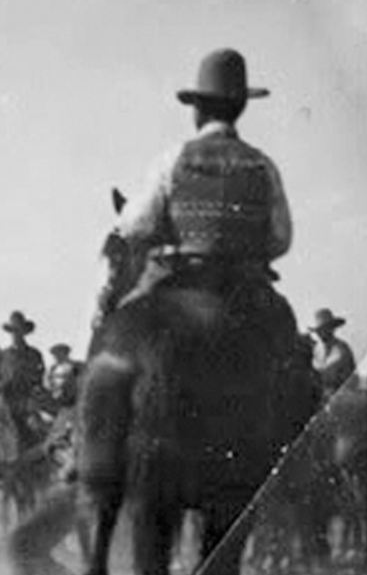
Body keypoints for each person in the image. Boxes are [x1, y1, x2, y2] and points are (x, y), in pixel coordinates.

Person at [101, 49, 298, 365]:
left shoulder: (172, 158)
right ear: (241, 107)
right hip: (247, 286)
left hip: (180, 274)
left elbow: (140, 225)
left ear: (199, 110)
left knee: (117, 329)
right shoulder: (264, 165)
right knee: (291, 355)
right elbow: (280, 239)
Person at [0, 311, 49, 442]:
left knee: (40, 431)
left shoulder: (34, 354)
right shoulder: (3, 356)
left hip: (29, 405)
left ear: (25, 332)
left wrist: (33, 399)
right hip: (7, 406)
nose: (16, 335)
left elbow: (39, 379)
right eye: (14, 331)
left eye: (19, 331)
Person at [310, 309, 357, 395]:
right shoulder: (315, 350)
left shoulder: (342, 349)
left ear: (332, 329)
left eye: (325, 328)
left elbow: (351, 379)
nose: (321, 333)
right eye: (319, 330)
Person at [44, 343, 84, 408]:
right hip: (58, 400)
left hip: (76, 399)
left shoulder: (77, 365)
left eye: (59, 353)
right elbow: (48, 383)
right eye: (55, 354)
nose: (56, 356)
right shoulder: (53, 369)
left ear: (66, 353)